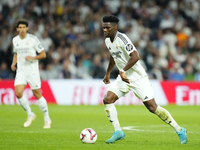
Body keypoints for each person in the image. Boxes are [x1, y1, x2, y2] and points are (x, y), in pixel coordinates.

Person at [102, 15, 187, 144]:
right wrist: (108, 73)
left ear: (115, 27)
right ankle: (118, 131)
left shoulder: (123, 39)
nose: (105, 30)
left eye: (107, 28)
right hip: (123, 77)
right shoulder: (108, 41)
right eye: (103, 28)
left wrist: (123, 70)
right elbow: (113, 56)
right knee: (107, 99)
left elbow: (136, 56)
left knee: (153, 108)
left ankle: (180, 130)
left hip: (137, 77)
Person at [11, 19, 51, 128]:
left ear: (27, 28)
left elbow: (43, 54)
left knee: (37, 94)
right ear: (17, 29)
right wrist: (14, 63)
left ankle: (47, 119)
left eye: (24, 27)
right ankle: (30, 114)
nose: (22, 29)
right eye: (20, 27)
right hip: (21, 71)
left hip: (32, 71)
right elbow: (16, 53)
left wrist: (33, 57)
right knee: (18, 93)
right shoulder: (15, 40)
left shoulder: (33, 39)